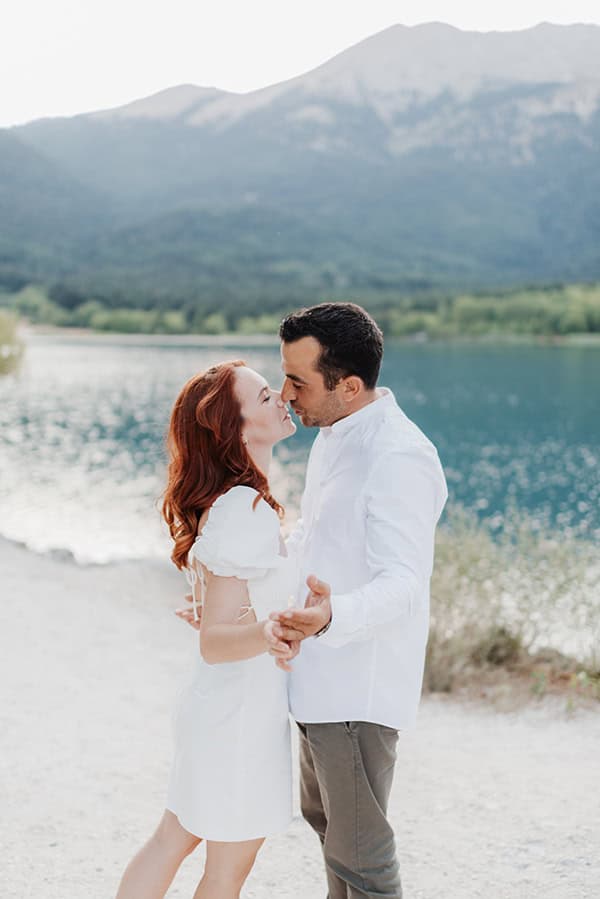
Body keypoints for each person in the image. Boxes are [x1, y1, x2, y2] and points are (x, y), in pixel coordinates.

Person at [267, 302, 448, 898]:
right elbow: (314, 540)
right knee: (331, 834)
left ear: (348, 386)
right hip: (318, 678)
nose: (285, 393)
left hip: (356, 688)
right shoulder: (335, 436)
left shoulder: (398, 456)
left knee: (362, 855)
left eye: (298, 381)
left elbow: (403, 582)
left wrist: (331, 615)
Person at [115, 360, 300, 899]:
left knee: (175, 837)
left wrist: (250, 618)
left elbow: (227, 612)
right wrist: (275, 628)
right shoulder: (243, 507)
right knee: (222, 870)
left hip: (225, 706)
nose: (281, 398)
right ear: (234, 430)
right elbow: (215, 643)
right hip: (237, 714)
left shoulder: (238, 500)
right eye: (265, 397)